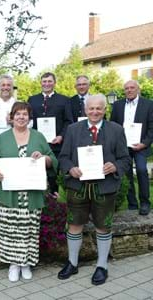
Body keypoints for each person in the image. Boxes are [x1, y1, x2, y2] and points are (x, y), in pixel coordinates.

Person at [57, 94, 130, 285]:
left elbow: (125, 159)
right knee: (74, 225)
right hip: (78, 187)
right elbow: (63, 157)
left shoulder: (116, 130)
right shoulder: (73, 129)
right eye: (91, 108)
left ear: (105, 110)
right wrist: (70, 168)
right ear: (85, 110)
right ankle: (72, 263)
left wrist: (115, 167)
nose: (95, 112)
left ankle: (102, 265)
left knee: (103, 226)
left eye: (99, 108)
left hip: (104, 188)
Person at [0, 102, 57, 282]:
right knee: (10, 230)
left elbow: (52, 158)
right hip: (9, 194)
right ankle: (13, 265)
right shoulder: (2, 138)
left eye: (25, 114)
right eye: (17, 114)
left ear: (29, 118)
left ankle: (27, 263)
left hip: (31, 194)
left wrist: (44, 159)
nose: (21, 117)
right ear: (11, 117)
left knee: (29, 229)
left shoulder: (38, 136)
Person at [110, 80, 153, 215]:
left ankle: (145, 202)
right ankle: (132, 203)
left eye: (132, 87)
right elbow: (113, 125)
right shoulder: (117, 105)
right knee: (126, 174)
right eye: (127, 88)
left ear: (137, 89)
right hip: (123, 147)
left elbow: (152, 127)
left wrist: (144, 144)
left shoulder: (149, 104)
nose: (129, 90)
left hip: (140, 146)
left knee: (141, 170)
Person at [28, 72, 73, 197]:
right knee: (37, 172)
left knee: (54, 173)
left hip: (56, 144)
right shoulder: (32, 100)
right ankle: (38, 199)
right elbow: (29, 120)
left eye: (49, 81)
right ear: (41, 83)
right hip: (37, 143)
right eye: (44, 81)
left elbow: (68, 121)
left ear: (54, 82)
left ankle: (54, 202)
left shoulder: (64, 100)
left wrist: (61, 136)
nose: (47, 84)